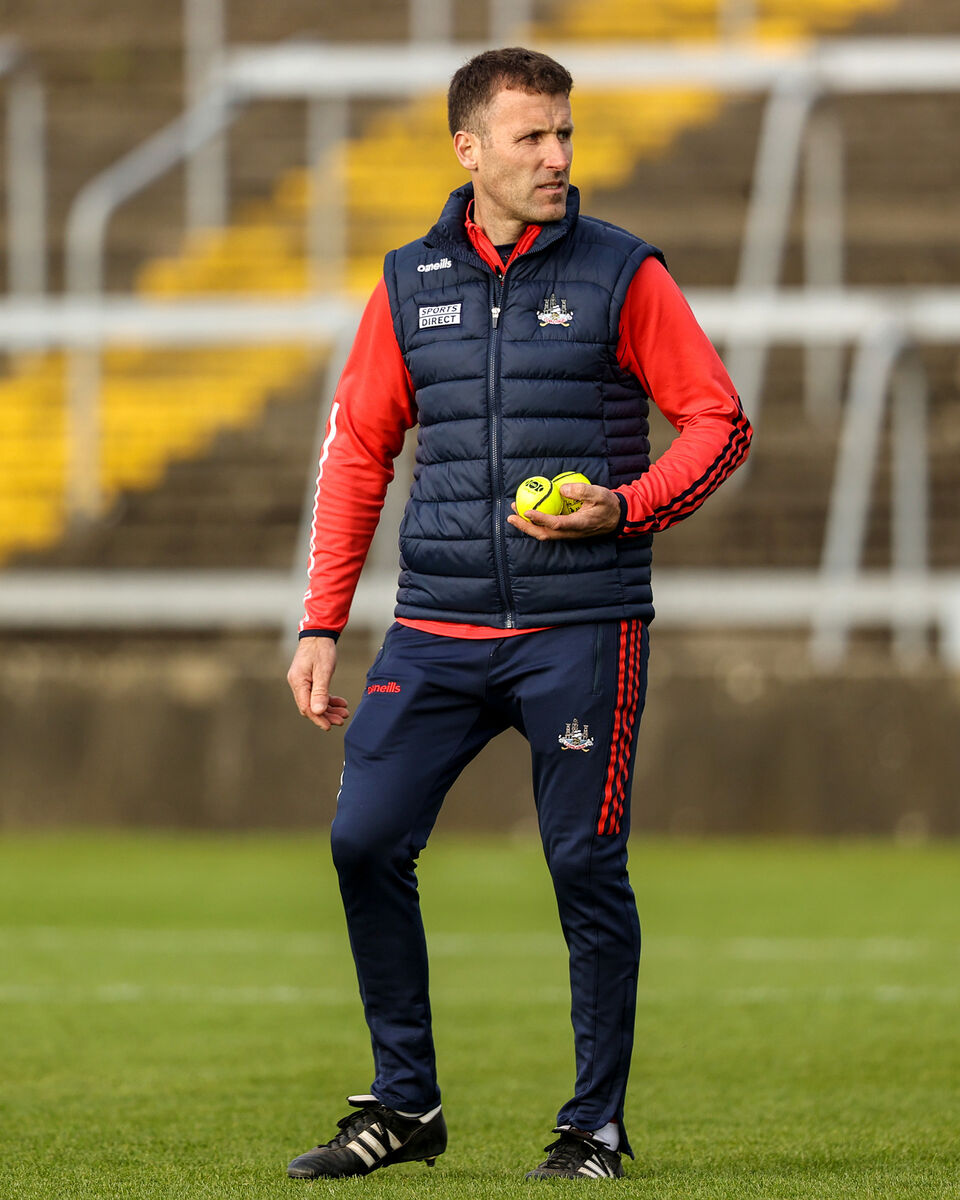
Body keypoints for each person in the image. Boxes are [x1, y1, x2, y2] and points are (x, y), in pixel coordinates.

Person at [285, 46, 751, 1182]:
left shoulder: (623, 272)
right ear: (469, 149)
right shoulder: (407, 282)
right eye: (531, 136)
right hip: (438, 626)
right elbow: (357, 456)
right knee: (362, 841)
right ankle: (407, 1106)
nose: (556, 156)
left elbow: (719, 422)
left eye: (564, 134)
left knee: (583, 865)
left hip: (581, 626)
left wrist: (625, 506)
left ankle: (594, 1126)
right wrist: (320, 622)